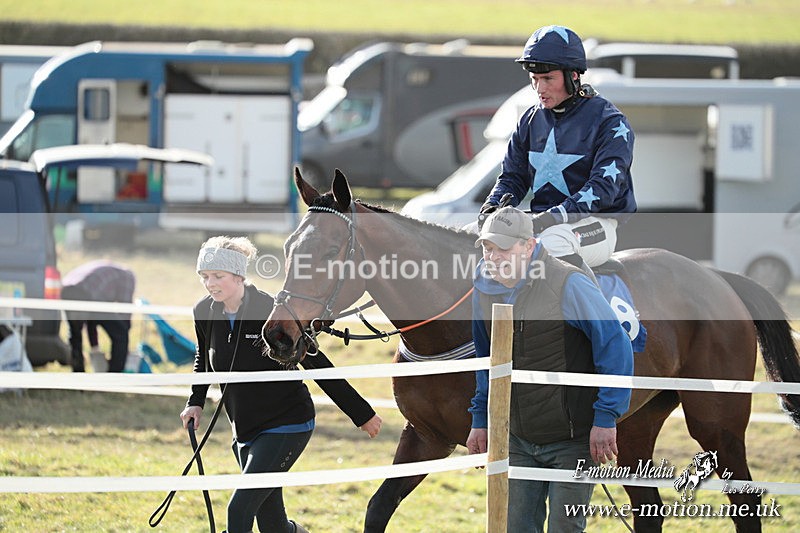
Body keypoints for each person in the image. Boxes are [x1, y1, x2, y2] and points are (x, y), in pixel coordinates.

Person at [180, 236, 382, 533]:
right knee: (273, 525)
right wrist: (195, 401)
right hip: (245, 429)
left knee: (239, 509)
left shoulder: (271, 312)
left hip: (286, 424)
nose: (210, 284)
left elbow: (315, 361)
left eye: (218, 276)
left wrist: (361, 414)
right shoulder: (205, 312)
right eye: (205, 277)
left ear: (239, 276)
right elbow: (204, 356)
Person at [466, 207, 633, 532]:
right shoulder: (483, 288)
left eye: (502, 248)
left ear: (528, 246)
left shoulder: (568, 283)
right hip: (515, 437)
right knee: (515, 528)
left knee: (565, 529)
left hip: (571, 440)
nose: (493, 257)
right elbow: (485, 359)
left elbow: (614, 344)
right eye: (487, 247)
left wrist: (606, 417)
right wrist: (480, 419)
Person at [478, 25, 636, 271]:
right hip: (540, 222)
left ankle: (587, 307)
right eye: (535, 80)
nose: (540, 89)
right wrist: (493, 206)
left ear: (573, 76)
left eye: (548, 79)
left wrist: (553, 217)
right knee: (468, 238)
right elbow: (512, 178)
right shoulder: (529, 121)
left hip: (596, 224)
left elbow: (603, 189)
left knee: (549, 246)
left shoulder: (610, 122)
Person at [61, 260, 136, 372]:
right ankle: (115, 376)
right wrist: (124, 349)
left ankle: (78, 375)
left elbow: (92, 320)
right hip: (85, 292)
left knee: (75, 333)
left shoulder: (107, 272)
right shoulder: (127, 278)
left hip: (66, 289)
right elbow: (125, 311)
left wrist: (95, 347)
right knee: (121, 334)